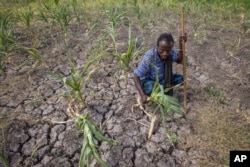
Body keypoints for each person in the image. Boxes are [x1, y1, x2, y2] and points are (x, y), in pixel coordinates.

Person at [134, 33, 187, 104]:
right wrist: (142, 95)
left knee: (182, 80)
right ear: (157, 46)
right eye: (162, 50)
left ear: (171, 48)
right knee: (150, 88)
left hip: (164, 78)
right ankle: (157, 90)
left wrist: (181, 44)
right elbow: (136, 76)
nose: (165, 53)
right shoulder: (149, 57)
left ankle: (164, 87)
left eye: (168, 51)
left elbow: (179, 60)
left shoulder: (170, 53)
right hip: (151, 80)